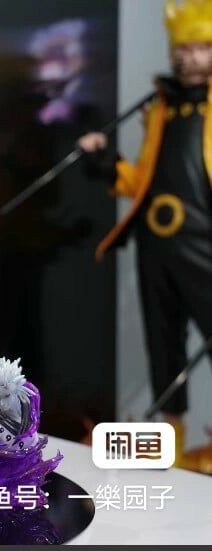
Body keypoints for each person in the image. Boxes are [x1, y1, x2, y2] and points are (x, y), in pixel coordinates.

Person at [77, 0, 212, 462]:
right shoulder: (161, 109)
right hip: (157, 244)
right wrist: (105, 160)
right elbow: (142, 183)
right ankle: (172, 442)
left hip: (203, 242)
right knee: (163, 343)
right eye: (183, 49)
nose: (188, 57)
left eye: (201, 47)